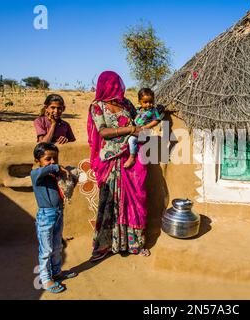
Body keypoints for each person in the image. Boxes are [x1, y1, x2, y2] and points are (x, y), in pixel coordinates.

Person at [88, 71, 151, 262]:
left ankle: (134, 244)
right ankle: (105, 245)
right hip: (110, 159)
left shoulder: (126, 104)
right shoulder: (97, 107)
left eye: (118, 84)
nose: (117, 88)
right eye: (113, 84)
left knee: (132, 200)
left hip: (130, 157)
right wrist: (130, 129)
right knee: (109, 202)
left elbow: (139, 119)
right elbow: (104, 132)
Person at [31, 142, 78, 294]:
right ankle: (45, 279)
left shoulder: (53, 175)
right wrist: (57, 167)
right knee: (46, 249)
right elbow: (49, 169)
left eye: (55, 159)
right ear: (37, 161)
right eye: (48, 158)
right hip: (46, 216)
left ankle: (56, 272)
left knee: (57, 246)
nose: (52, 161)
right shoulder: (36, 174)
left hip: (58, 213)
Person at [124, 88, 163, 169]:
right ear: (139, 102)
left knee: (131, 140)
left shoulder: (153, 110)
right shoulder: (138, 109)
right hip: (136, 129)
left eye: (151, 102)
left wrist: (145, 127)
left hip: (145, 132)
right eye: (145, 102)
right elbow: (135, 117)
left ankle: (132, 157)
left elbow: (157, 120)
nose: (148, 104)